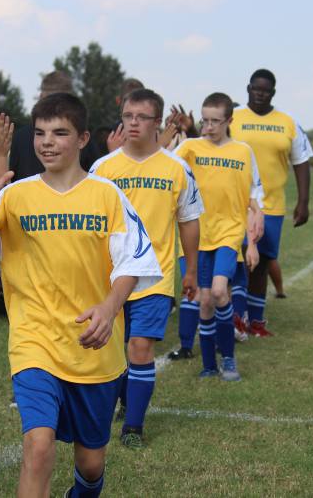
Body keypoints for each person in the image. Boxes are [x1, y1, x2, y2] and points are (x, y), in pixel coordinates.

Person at [0, 93, 162, 497]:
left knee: (91, 464)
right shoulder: (14, 195)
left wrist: (110, 308)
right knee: (38, 446)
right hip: (34, 341)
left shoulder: (107, 195)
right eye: (40, 133)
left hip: (93, 350)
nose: (47, 142)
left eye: (60, 133)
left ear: (82, 139)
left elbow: (133, 262)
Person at [89, 88, 202, 448]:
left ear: (158, 123)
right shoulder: (103, 169)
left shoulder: (177, 168)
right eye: (127, 116)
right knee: (114, 350)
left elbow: (189, 221)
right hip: (109, 278)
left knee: (140, 347)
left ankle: (133, 428)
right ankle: (124, 400)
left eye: (141, 117)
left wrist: (191, 269)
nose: (133, 123)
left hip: (155, 276)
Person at [174, 92, 264, 380]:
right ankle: (210, 365)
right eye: (205, 120)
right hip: (198, 235)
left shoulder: (243, 151)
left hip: (228, 234)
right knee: (205, 301)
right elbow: (164, 168)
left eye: (215, 121)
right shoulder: (189, 148)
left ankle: (229, 359)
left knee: (217, 290)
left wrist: (253, 237)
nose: (208, 127)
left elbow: (254, 196)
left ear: (229, 121)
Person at [229, 69, 313, 337]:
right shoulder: (234, 118)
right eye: (256, 89)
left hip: (272, 205)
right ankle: (235, 317)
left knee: (262, 263)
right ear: (248, 88)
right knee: (237, 260)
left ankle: (255, 320)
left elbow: (301, 162)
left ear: (273, 92)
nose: (260, 94)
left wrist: (304, 201)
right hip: (236, 203)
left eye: (265, 90)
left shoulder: (288, 122)